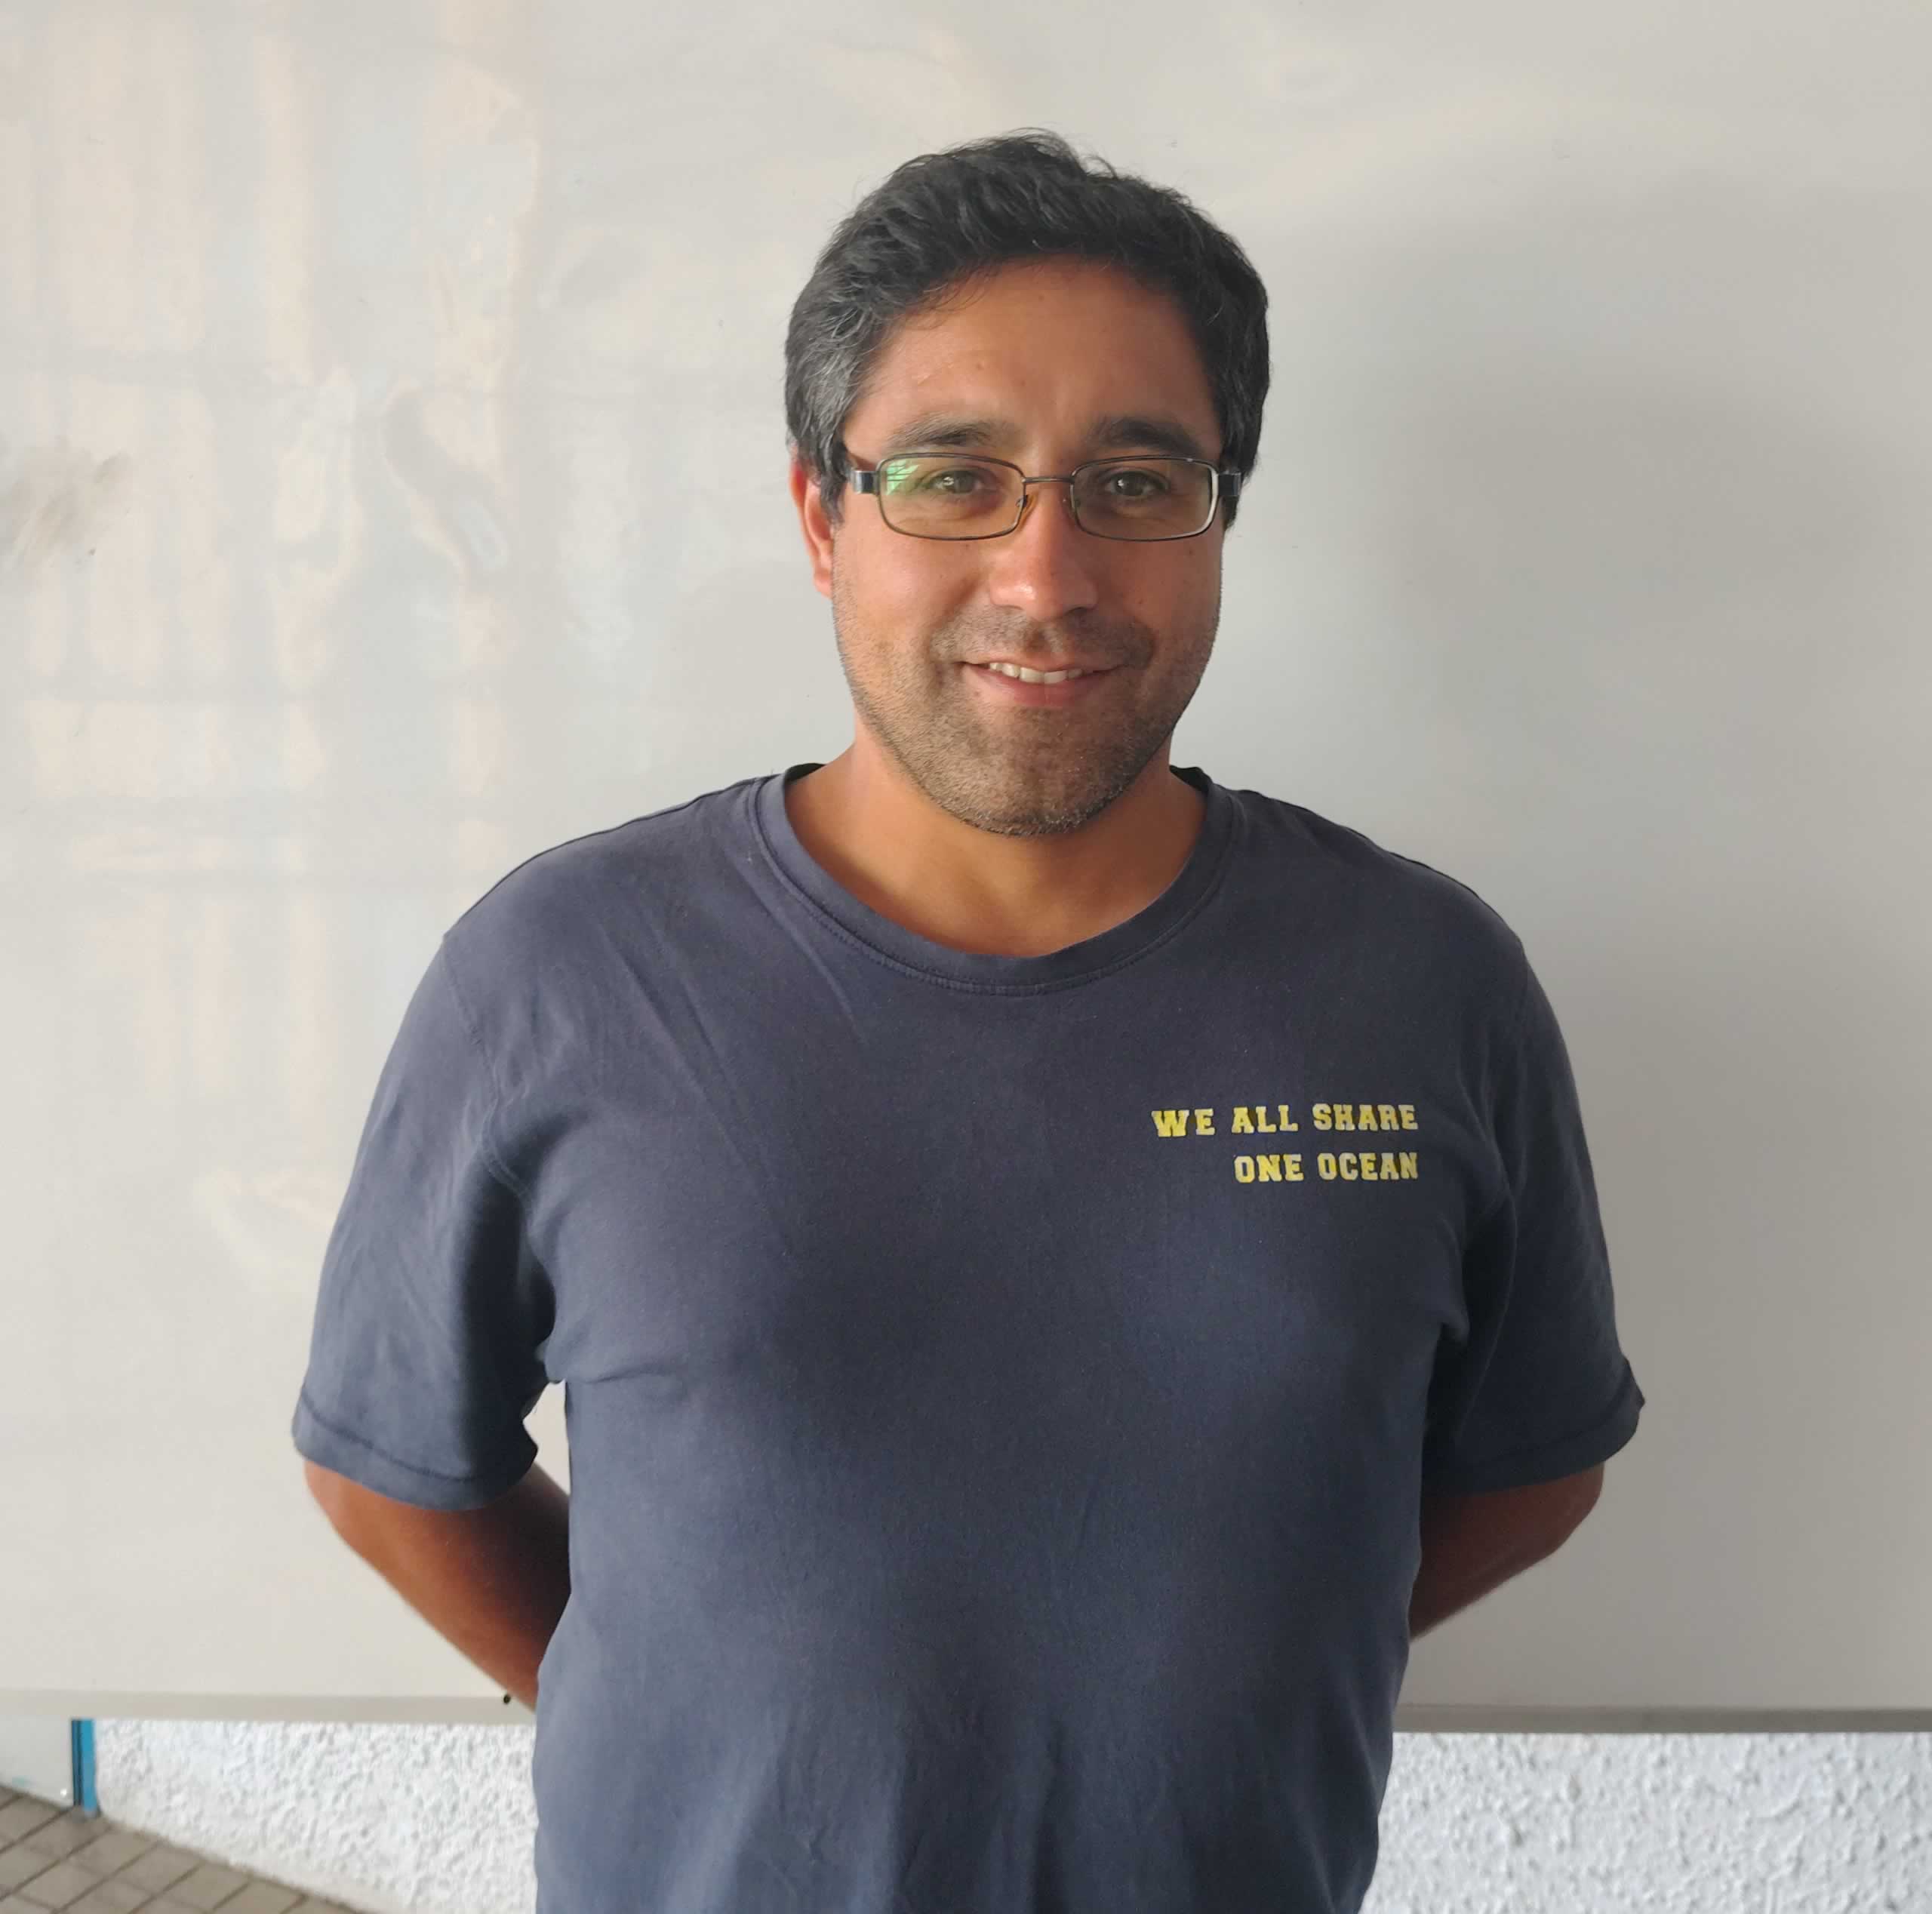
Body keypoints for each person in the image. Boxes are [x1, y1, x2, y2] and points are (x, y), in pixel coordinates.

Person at [293, 128, 1645, 1914]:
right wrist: (676, 1700)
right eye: (951, 477)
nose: (1044, 572)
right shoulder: (562, 971)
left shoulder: (1423, 982)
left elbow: (1530, 1466)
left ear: (1220, 515)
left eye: (1136, 481)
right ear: (819, 517)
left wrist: (1269, 1635)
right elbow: (393, 1471)